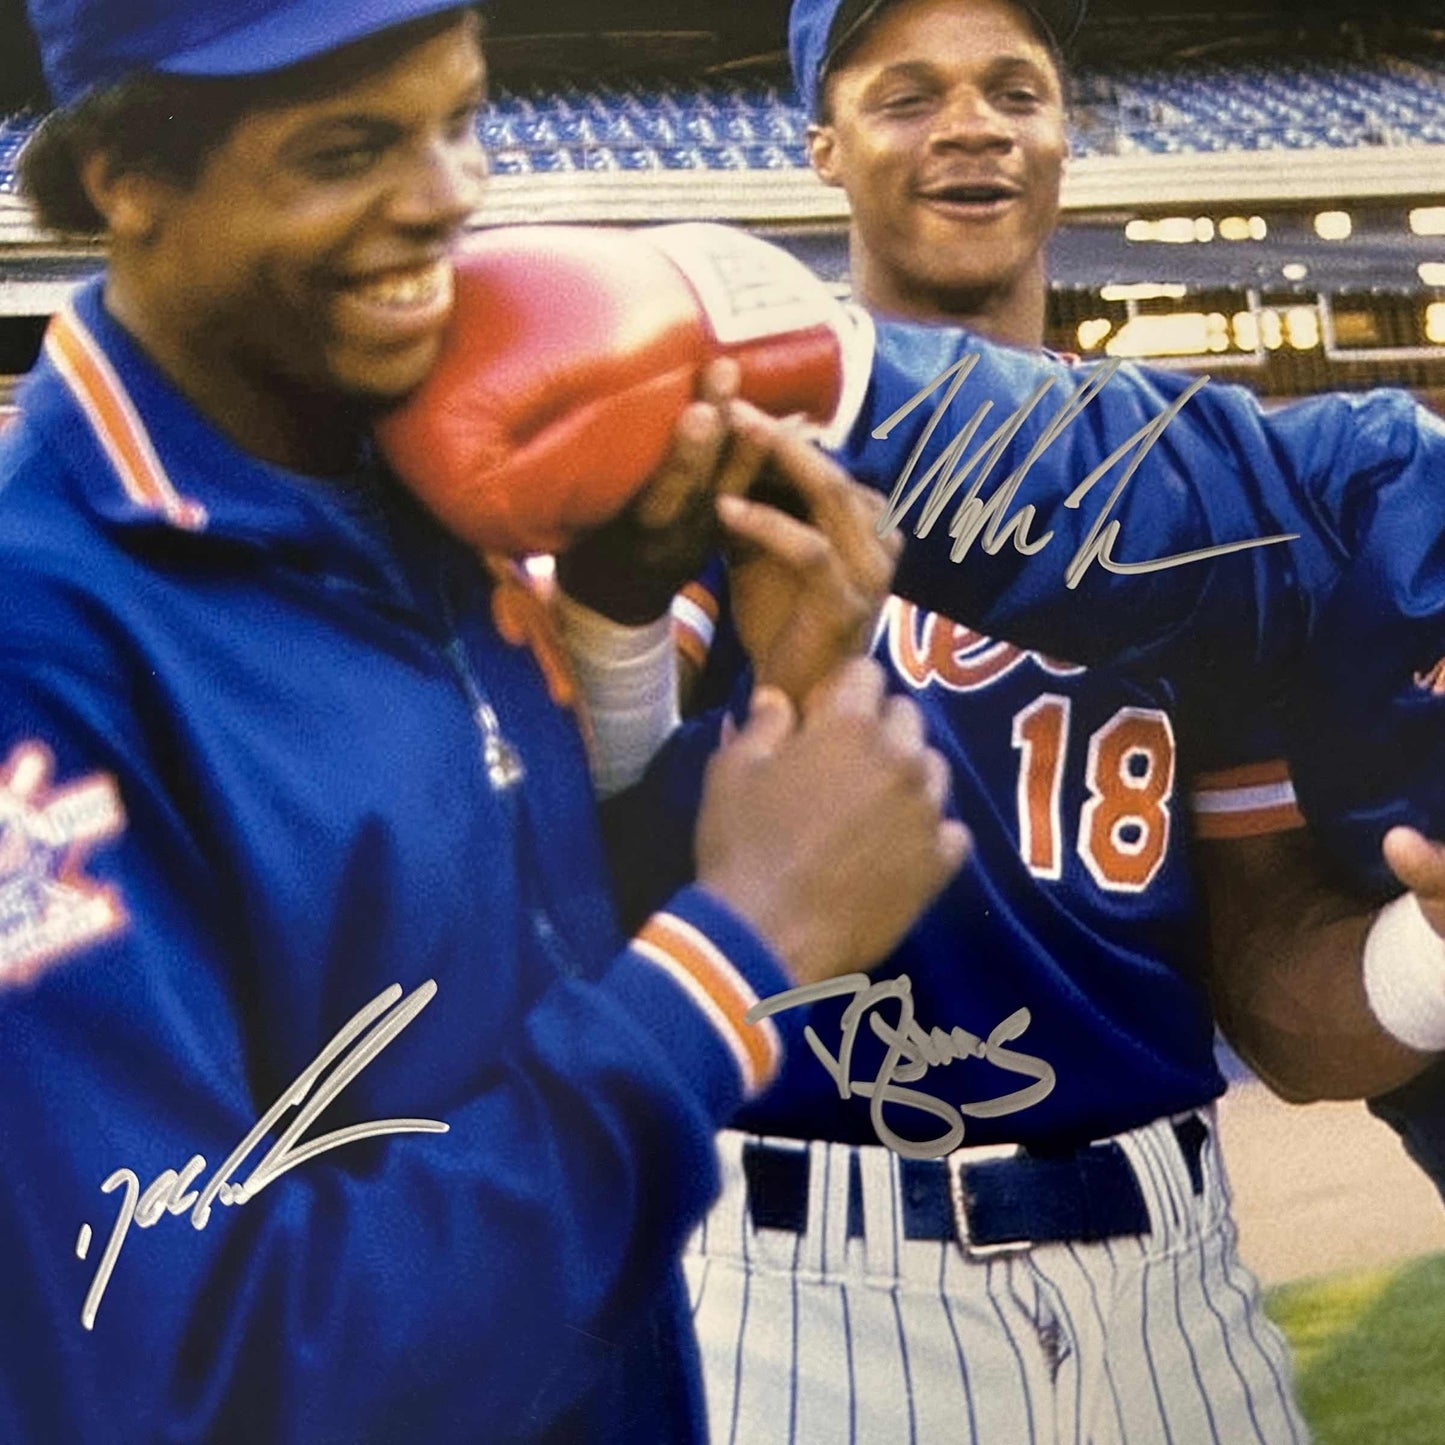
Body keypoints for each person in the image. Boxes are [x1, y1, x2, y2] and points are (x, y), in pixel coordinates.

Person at [0, 2, 968, 1440]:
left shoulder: (398, 479)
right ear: (123, 178)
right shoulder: (41, 640)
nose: (447, 194)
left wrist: (690, 664)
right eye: (349, 149)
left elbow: (485, 972)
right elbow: (175, 1378)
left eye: (460, 121)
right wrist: (732, 957)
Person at [676, 2, 1313, 1441]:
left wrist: (1422, 954)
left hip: (1178, 1276)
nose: (971, 125)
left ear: (1065, 135)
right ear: (822, 146)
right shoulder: (727, 453)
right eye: (908, 95)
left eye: (1014, 91)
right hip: (797, 1281)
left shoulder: (1196, 494)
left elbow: (1279, 996)